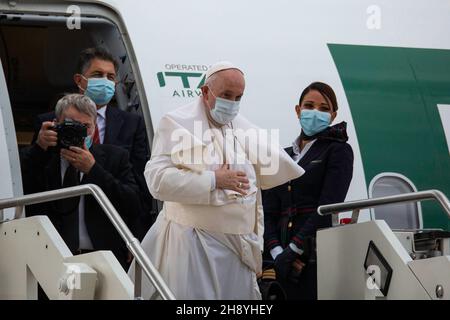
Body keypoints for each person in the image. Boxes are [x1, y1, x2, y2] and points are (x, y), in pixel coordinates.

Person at [129, 61, 304, 299]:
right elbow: (156, 180)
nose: (232, 103)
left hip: (238, 250)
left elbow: (256, 195)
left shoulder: (244, 131)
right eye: (226, 95)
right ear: (205, 92)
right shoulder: (175, 123)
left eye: (238, 97)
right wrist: (213, 180)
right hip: (193, 244)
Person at [32, 47, 154, 241]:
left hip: (109, 232)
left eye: (110, 77)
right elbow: (30, 178)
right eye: (98, 74)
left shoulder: (132, 124)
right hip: (55, 233)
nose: (105, 81)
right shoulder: (48, 124)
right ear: (79, 80)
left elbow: (138, 189)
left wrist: (134, 237)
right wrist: (39, 146)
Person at [21, 93, 140, 268]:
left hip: (102, 257)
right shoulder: (41, 156)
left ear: (95, 127)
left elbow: (134, 202)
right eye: (72, 126)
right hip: (49, 256)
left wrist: (93, 170)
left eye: (86, 126)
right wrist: (39, 148)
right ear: (56, 124)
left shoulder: (115, 157)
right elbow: (19, 184)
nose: (80, 132)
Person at [262, 82, 354, 300]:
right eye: (309, 105)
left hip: (312, 256)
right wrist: (276, 252)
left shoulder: (338, 150)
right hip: (278, 258)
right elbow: (266, 209)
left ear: (333, 115)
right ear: (298, 110)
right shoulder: (282, 155)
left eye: (324, 109)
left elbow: (328, 207)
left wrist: (294, 249)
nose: (315, 113)